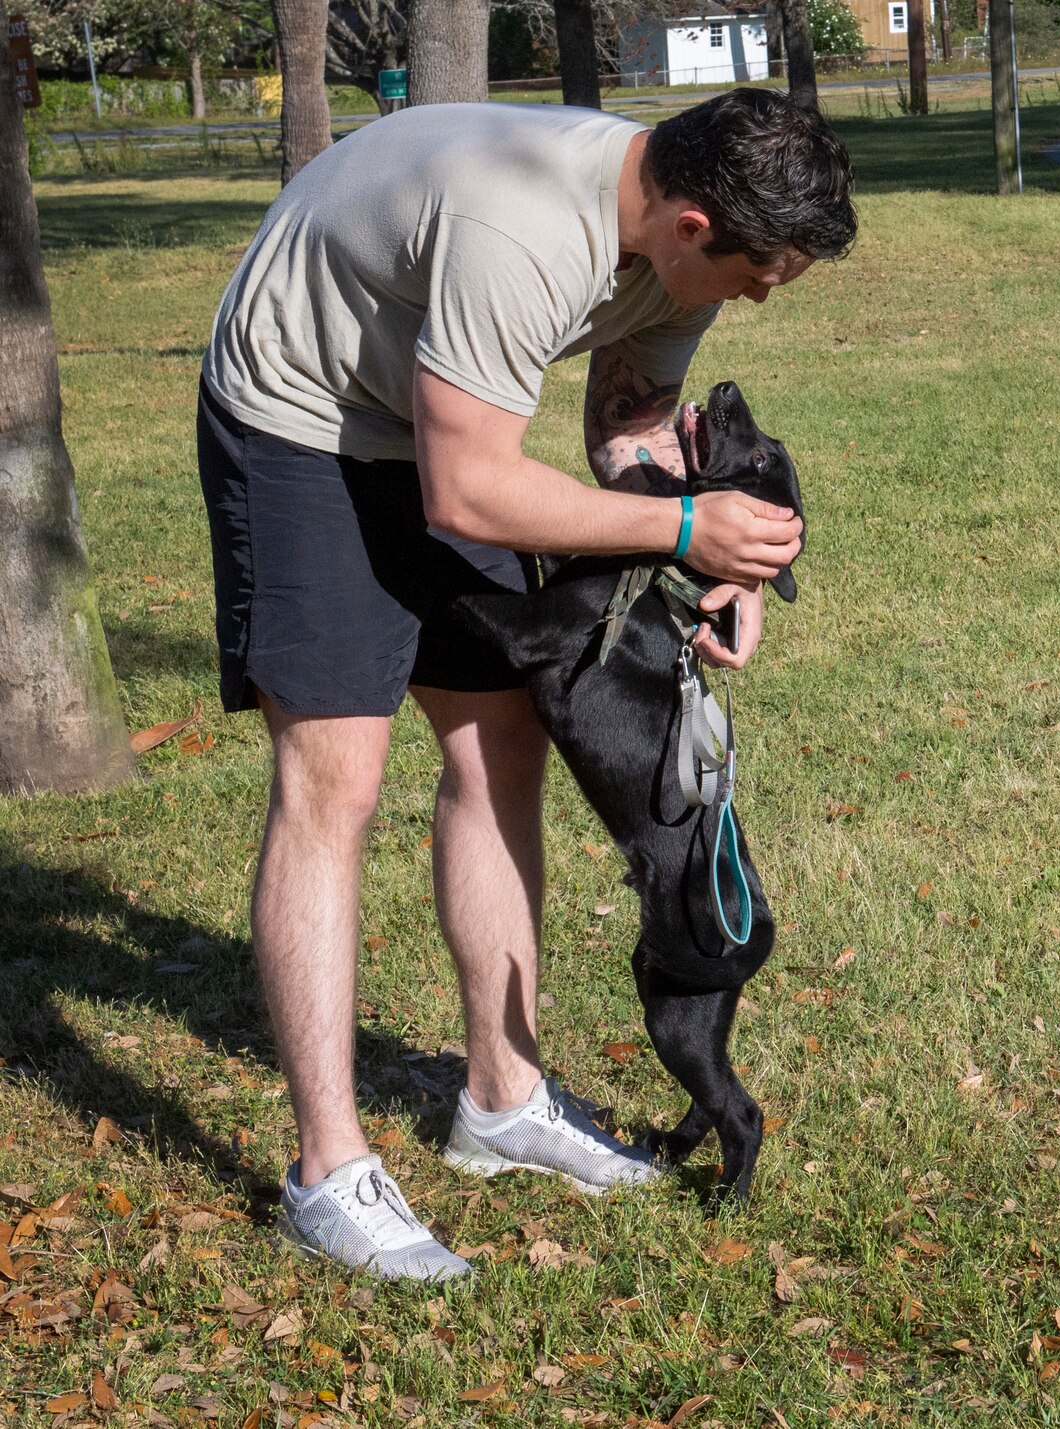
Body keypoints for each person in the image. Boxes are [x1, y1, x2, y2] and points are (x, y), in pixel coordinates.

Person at [197, 88, 854, 1281]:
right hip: (302, 414)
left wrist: (708, 551)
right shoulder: (522, 226)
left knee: (504, 744)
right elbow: (466, 496)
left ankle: (500, 1102)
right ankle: (326, 1168)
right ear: (697, 224)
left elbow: (632, 420)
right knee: (332, 779)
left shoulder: (669, 251)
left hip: (441, 428)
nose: (764, 297)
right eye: (762, 275)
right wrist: (685, 531)